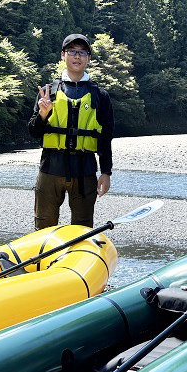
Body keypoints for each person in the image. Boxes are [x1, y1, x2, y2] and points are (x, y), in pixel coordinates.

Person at [28, 33, 114, 229]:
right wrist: (43, 114)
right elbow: (33, 132)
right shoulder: (48, 92)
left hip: (84, 170)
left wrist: (106, 172)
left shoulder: (100, 96)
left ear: (89, 58)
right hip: (51, 168)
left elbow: (105, 137)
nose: (77, 56)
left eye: (82, 52)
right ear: (63, 55)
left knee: (82, 227)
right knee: (44, 226)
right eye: (72, 51)